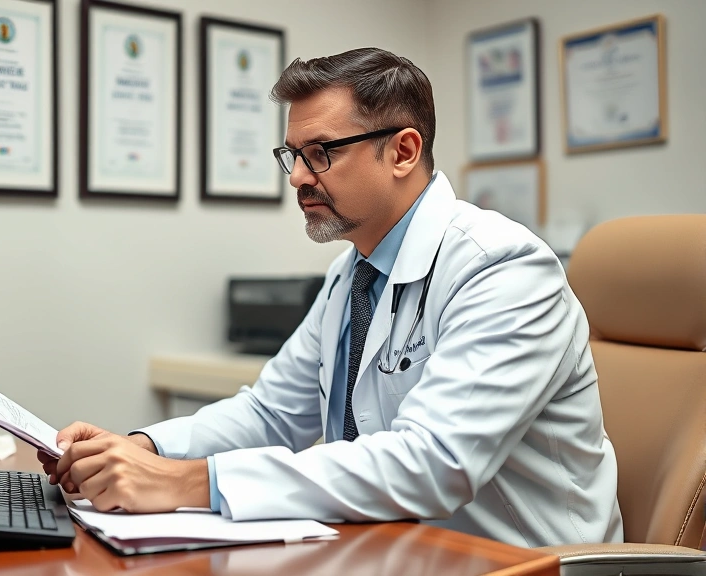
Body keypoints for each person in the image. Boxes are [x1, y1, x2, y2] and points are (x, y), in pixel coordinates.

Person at [39, 47, 623, 548]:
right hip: (391, 548)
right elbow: (271, 413)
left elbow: (432, 464)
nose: (297, 177)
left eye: (321, 152)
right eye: (293, 155)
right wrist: (141, 448)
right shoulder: (353, 273)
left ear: (403, 151)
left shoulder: (501, 268)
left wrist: (185, 482)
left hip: (521, 561)